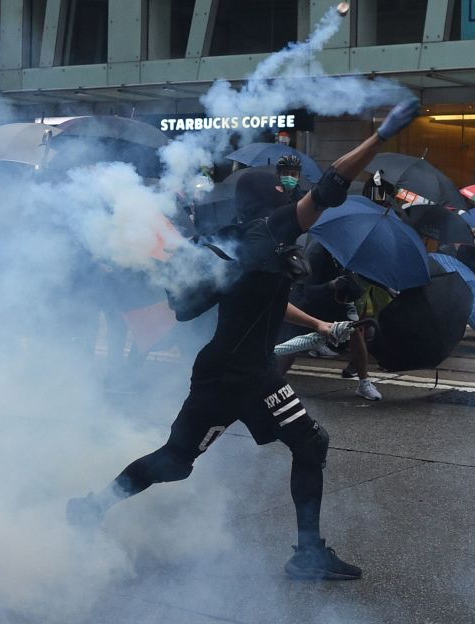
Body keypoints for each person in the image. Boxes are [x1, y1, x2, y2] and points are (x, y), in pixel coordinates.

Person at [66, 97, 420, 581]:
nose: (292, 196)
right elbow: (331, 187)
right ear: (269, 201)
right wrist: (380, 138)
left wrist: (323, 309)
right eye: (283, 190)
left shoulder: (248, 245)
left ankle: (94, 508)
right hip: (235, 375)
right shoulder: (267, 232)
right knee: (180, 461)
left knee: (294, 446)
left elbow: (263, 301)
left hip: (243, 371)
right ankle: (95, 508)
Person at [280, 239, 381, 400]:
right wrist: (331, 285)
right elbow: (307, 291)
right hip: (307, 302)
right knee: (291, 347)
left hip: (335, 301)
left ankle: (364, 382)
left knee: (354, 331)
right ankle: (272, 384)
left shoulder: (348, 250)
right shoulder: (316, 254)